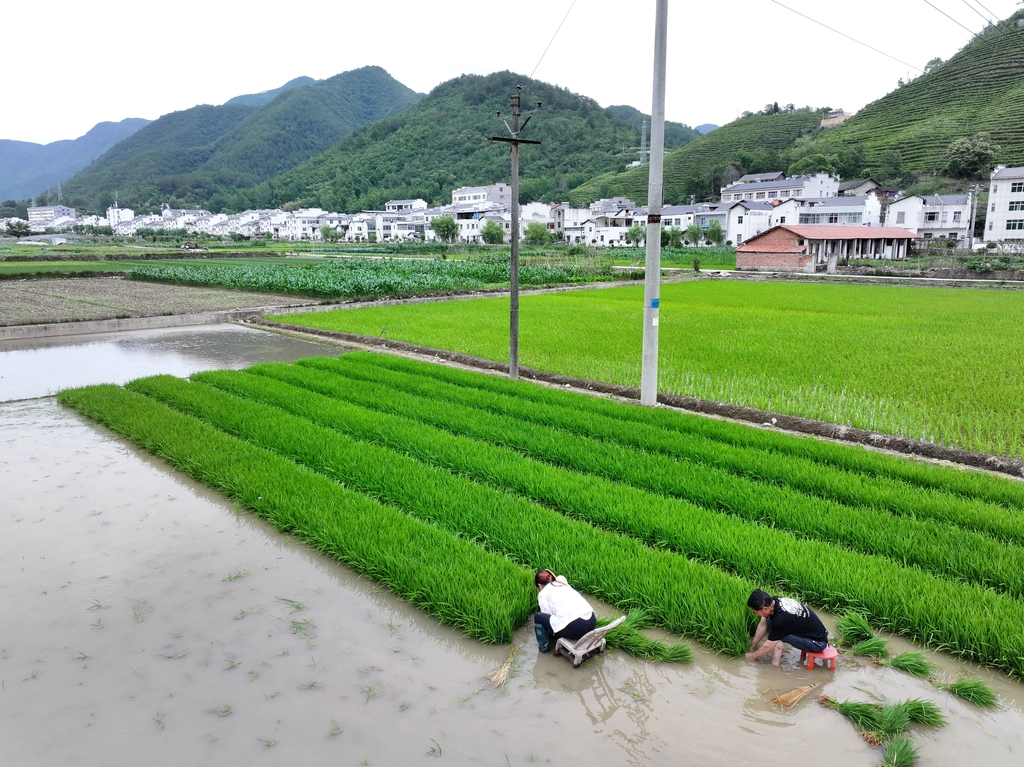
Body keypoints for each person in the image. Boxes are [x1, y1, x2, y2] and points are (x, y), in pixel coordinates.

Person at [745, 589, 828, 666]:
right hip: (816, 634)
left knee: (779, 634)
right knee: (770, 622)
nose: (756, 615)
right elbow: (763, 624)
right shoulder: (774, 601)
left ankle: (775, 663)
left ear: (765, 609)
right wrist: (753, 647)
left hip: (817, 643)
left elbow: (768, 646)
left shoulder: (781, 619)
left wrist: (752, 656)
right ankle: (778, 652)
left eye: (756, 612)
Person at [533, 569, 596, 654]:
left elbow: (546, 614)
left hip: (577, 629)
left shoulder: (543, 593)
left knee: (538, 617)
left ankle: (543, 649)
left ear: (540, 586)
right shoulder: (562, 584)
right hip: (592, 621)